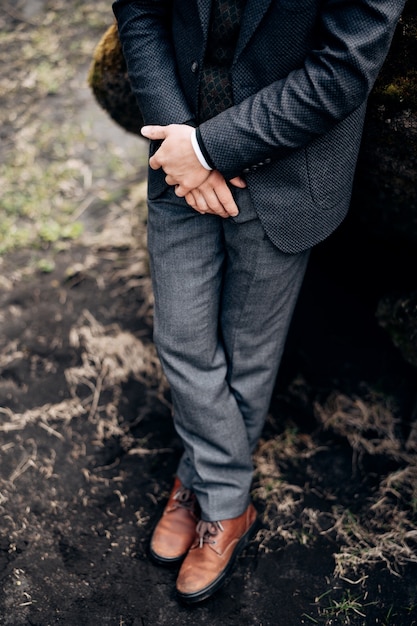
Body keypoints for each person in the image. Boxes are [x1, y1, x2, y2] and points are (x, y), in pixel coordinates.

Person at [112, 0, 405, 604]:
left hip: (290, 172)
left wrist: (210, 150)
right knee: (183, 340)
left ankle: (205, 494)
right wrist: (181, 145)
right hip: (177, 161)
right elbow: (140, 9)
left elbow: (344, 67)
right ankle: (225, 495)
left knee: (248, 356)